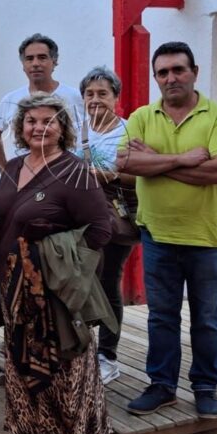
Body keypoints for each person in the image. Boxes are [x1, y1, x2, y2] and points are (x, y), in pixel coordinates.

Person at [0, 94, 112, 434]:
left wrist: (56, 253)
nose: (40, 127)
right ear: (21, 127)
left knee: (65, 365)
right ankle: (36, 430)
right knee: (21, 354)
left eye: (49, 121)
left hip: (53, 289)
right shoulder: (14, 166)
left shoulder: (75, 172)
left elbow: (100, 230)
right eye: (31, 121)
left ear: (64, 128)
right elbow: (3, 217)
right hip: (12, 284)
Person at [118, 42, 217, 420]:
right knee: (162, 316)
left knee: (206, 317)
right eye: (163, 72)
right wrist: (182, 160)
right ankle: (162, 385)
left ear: (194, 72)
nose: (171, 78)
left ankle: (205, 386)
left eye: (178, 70)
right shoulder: (141, 116)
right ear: (156, 78)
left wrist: (153, 161)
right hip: (158, 235)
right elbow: (123, 164)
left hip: (207, 237)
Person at [73, 66, 138, 385]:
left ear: (116, 98)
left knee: (109, 282)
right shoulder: (75, 129)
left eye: (102, 93)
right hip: (77, 218)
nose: (95, 99)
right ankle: (79, 351)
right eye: (89, 94)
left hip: (112, 217)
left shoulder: (129, 131)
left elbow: (139, 174)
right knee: (77, 283)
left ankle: (107, 356)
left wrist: (108, 174)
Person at [0, 34, 85, 170]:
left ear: (54, 61)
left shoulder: (76, 97)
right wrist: (5, 172)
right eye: (29, 59)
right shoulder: (10, 100)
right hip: (25, 180)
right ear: (23, 65)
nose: (35, 63)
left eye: (42, 57)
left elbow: (94, 133)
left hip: (66, 176)